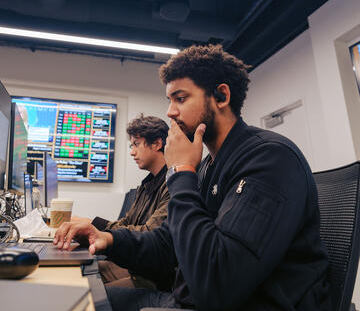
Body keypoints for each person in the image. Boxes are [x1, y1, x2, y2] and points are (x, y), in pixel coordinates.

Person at [55, 45, 331, 310]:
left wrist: (181, 172)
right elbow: (167, 244)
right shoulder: (211, 165)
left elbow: (217, 283)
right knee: (73, 299)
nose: (170, 112)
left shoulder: (269, 159)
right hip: (186, 300)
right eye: (170, 100)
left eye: (181, 98)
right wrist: (108, 239)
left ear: (221, 97)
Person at [72, 114, 172, 290]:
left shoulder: (171, 184)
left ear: (157, 144)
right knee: (77, 273)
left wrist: (95, 227)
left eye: (136, 144)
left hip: (153, 277)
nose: (132, 152)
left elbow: (149, 233)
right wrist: (93, 226)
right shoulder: (147, 183)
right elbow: (127, 223)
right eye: (131, 145)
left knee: (89, 291)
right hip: (136, 266)